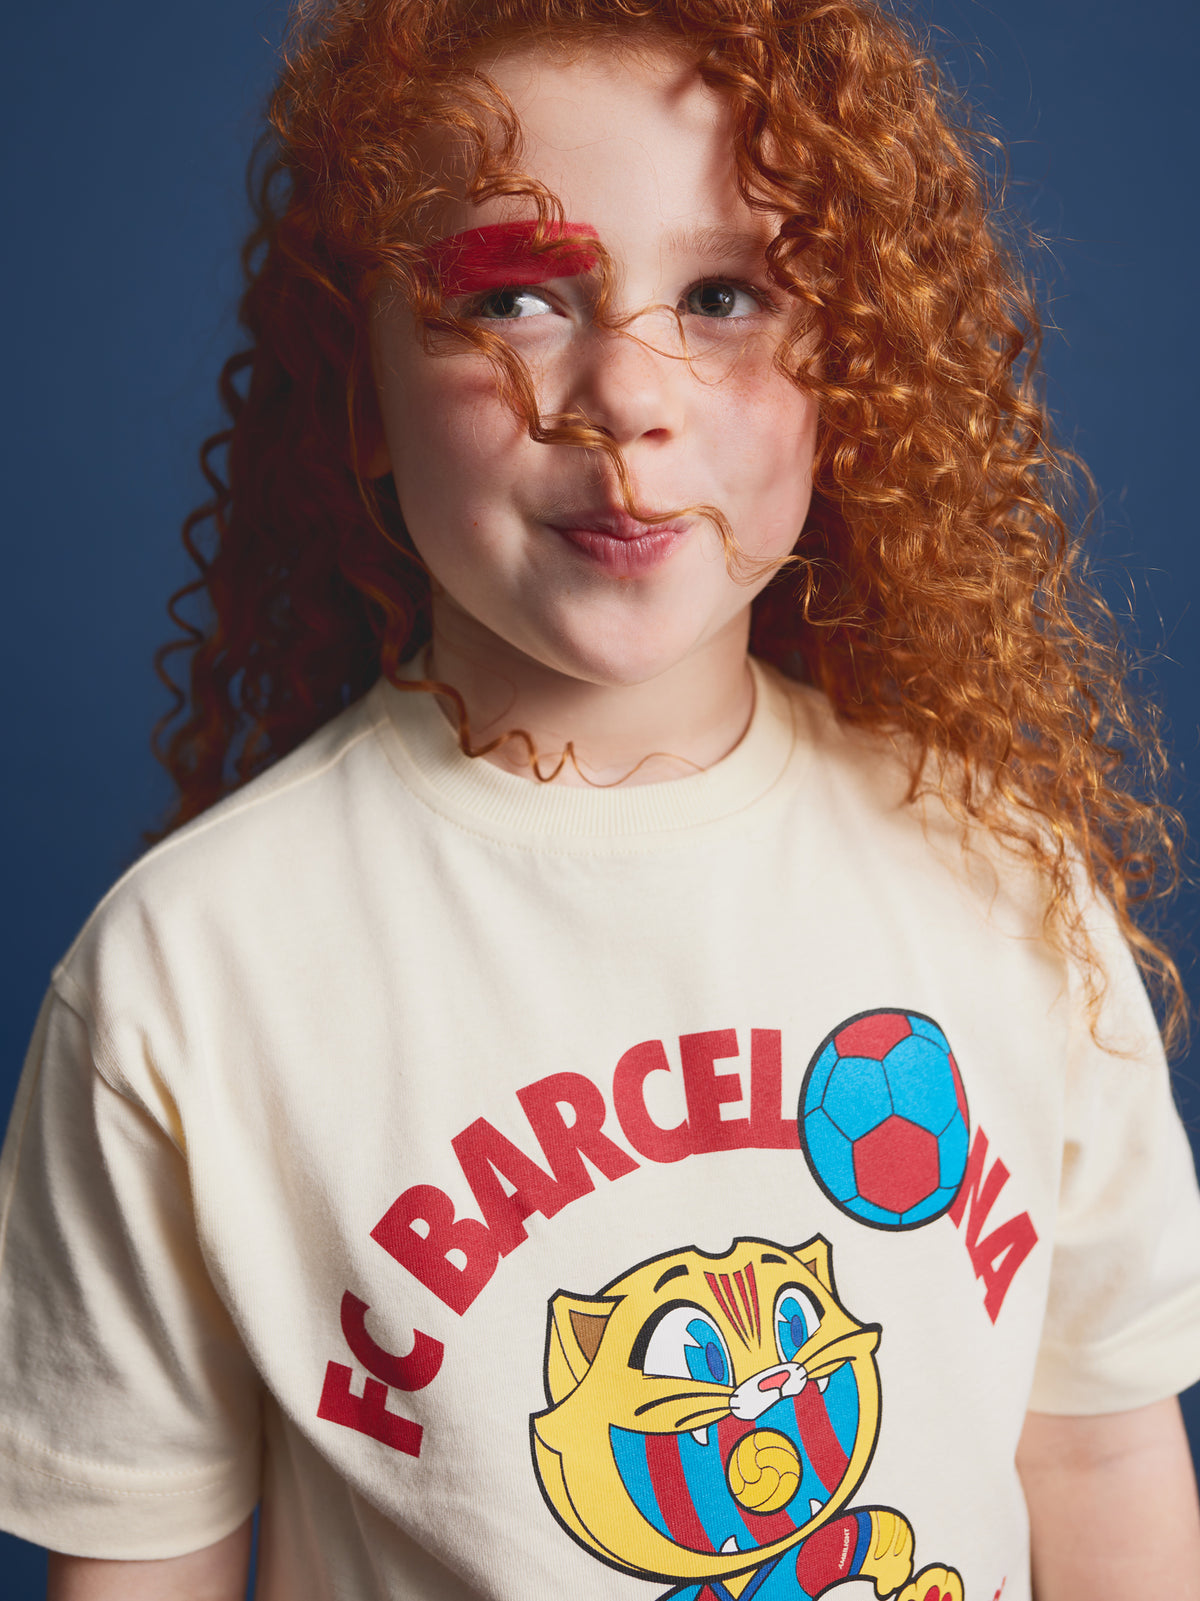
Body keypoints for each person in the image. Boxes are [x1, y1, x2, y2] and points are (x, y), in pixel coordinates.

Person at [2, 0, 1199, 1597]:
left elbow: (1103, 1463)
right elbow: (144, 1563)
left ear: (851, 377)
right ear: (361, 399)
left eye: (724, 296)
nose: (626, 392)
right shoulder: (190, 974)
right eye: (513, 298)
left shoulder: (1006, 883)